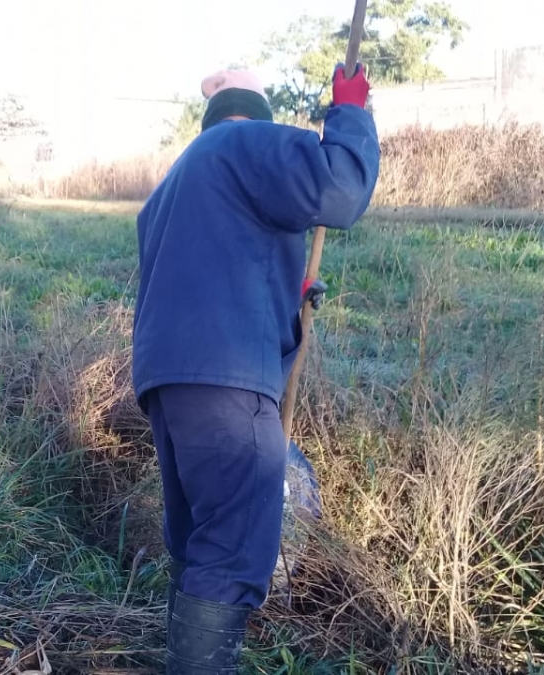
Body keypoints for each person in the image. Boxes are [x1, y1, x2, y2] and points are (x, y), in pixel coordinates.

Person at [131, 62, 380, 674]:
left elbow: (211, 273)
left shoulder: (172, 187)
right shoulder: (246, 141)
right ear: (257, 118)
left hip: (169, 386)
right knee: (236, 549)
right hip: (225, 382)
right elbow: (339, 189)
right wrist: (350, 115)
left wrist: (288, 292)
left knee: (201, 544)